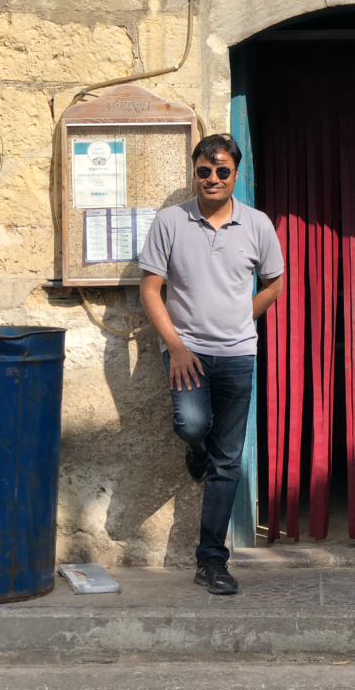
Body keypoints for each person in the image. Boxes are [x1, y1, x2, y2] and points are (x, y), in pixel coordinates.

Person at [139, 133, 283, 595]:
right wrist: (176, 347)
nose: (213, 178)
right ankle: (194, 448)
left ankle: (211, 561)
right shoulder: (170, 221)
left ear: (235, 174)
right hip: (189, 353)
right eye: (204, 170)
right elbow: (149, 288)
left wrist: (244, 317)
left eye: (222, 171)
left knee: (227, 462)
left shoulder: (258, 225)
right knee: (191, 424)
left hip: (239, 354)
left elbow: (275, 282)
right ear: (194, 172)